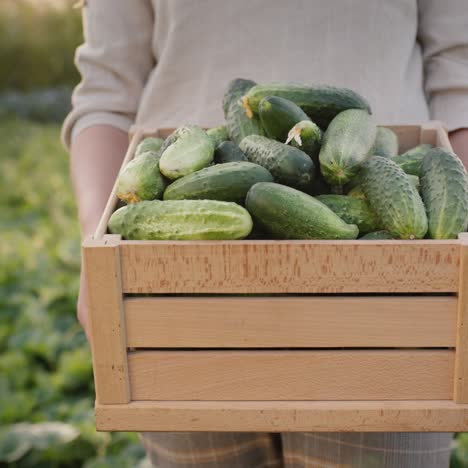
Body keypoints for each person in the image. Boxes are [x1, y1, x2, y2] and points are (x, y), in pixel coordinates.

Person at [63, 1, 468, 466]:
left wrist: (459, 241)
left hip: (397, 280)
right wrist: (97, 250)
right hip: (171, 279)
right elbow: (105, 93)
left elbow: (460, 73)